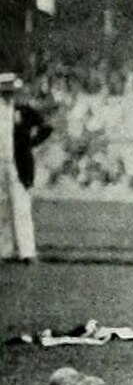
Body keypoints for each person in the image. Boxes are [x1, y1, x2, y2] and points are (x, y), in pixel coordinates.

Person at [0, 73, 52, 263]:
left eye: (8, 91)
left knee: (22, 207)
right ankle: (4, 251)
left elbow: (46, 128)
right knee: (1, 208)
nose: (5, 94)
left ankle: (27, 251)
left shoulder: (23, 110)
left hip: (18, 164)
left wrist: (31, 143)